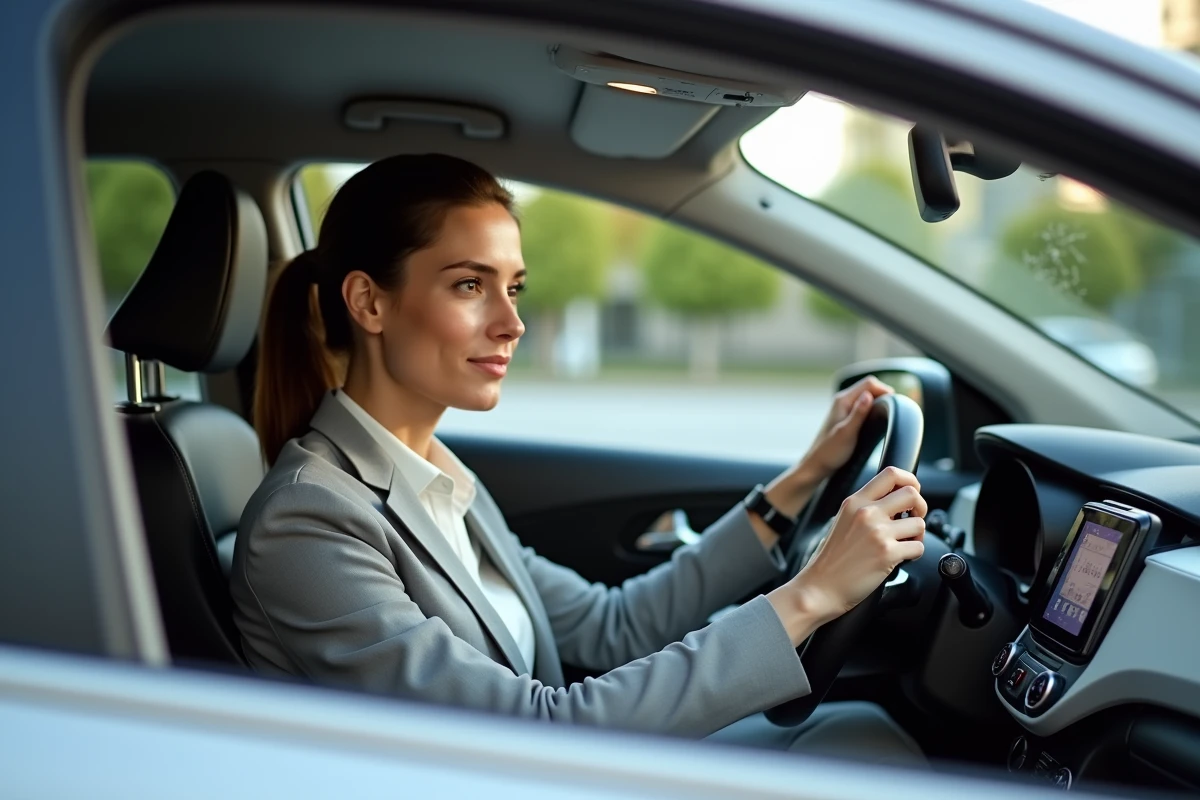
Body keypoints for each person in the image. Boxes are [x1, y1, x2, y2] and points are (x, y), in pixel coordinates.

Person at [231, 153, 927, 763]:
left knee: (861, 731)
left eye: (513, 287)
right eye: (470, 285)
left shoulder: (436, 477)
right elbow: (529, 735)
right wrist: (811, 595)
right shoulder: (308, 518)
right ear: (368, 302)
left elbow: (611, 626)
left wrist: (803, 481)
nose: (512, 323)